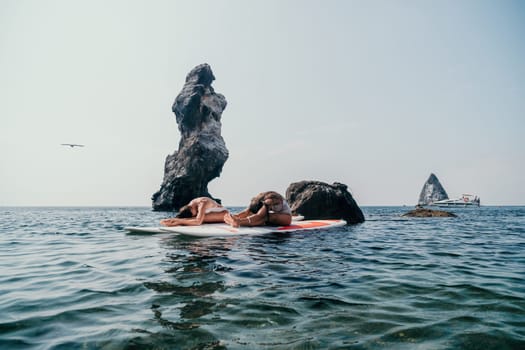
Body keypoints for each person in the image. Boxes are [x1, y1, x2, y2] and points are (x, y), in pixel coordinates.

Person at [224, 191, 292, 228]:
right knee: (253, 213)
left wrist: (240, 221)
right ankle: (235, 219)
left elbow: (260, 215)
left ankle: (239, 221)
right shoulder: (260, 198)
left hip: (286, 218)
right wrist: (235, 216)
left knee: (265, 217)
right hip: (272, 210)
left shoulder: (270, 200)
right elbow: (248, 211)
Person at [160, 197, 228, 226]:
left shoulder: (202, 203)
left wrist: (179, 221)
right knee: (197, 218)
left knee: (200, 219)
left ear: (191, 208)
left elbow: (198, 222)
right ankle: (176, 220)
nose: (194, 215)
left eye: (193, 214)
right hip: (212, 214)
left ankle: (176, 220)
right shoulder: (191, 204)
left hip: (222, 213)